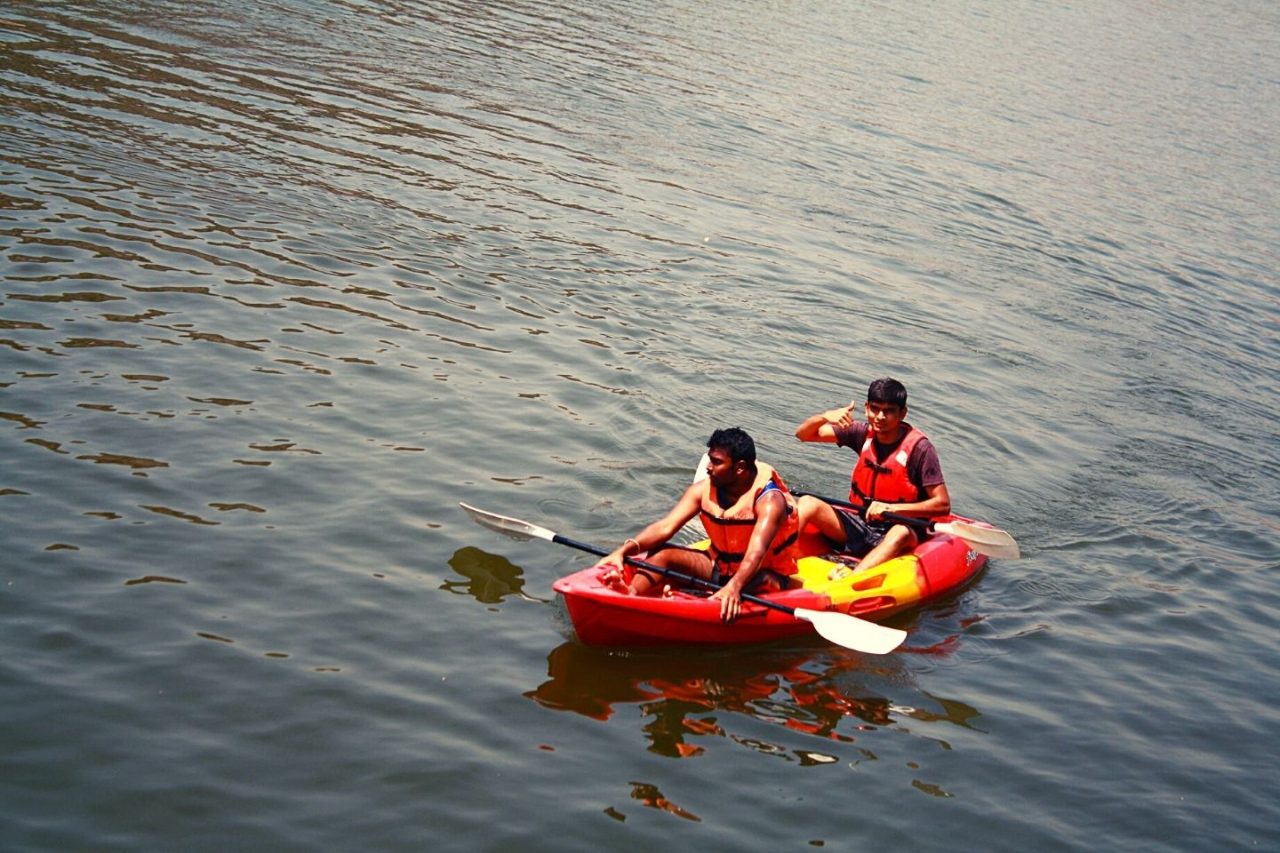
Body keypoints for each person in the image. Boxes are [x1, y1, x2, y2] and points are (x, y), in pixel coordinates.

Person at [595, 427, 801, 622]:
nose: (708, 467)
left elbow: (757, 552)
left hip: (764, 573)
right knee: (662, 555)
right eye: (710, 460)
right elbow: (666, 527)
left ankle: (708, 602)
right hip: (719, 566)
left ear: (739, 468)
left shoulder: (770, 501)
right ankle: (629, 596)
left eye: (716, 462)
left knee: (761, 579)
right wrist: (623, 551)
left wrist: (734, 586)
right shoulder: (701, 490)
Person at [794, 377, 951, 574]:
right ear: (866, 408)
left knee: (899, 533)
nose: (880, 417)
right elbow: (803, 435)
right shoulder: (861, 433)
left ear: (902, 413)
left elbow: (943, 504)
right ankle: (773, 559)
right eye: (875, 409)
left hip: (901, 530)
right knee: (808, 502)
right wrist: (825, 416)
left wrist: (892, 508)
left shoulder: (920, 449)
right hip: (861, 522)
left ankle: (852, 578)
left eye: (889, 411)